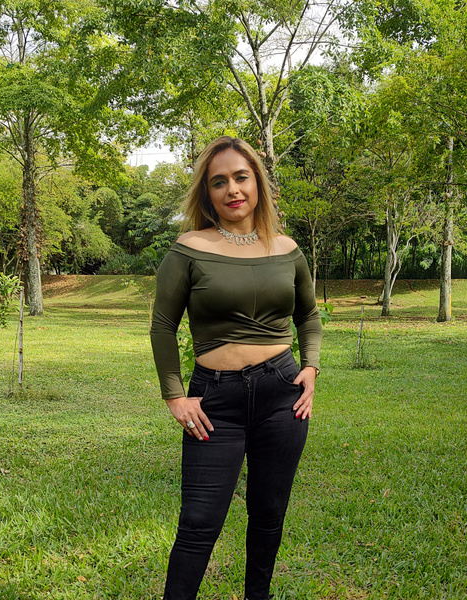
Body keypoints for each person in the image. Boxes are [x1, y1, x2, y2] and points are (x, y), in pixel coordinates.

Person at [150, 136, 323, 600]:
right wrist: (174, 395)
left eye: (241, 177)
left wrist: (311, 367)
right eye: (219, 181)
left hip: (282, 396)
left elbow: (308, 316)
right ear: (207, 193)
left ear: (258, 183)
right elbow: (163, 325)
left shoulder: (287, 249)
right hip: (215, 401)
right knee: (198, 522)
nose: (232, 189)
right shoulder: (189, 248)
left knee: (268, 514)